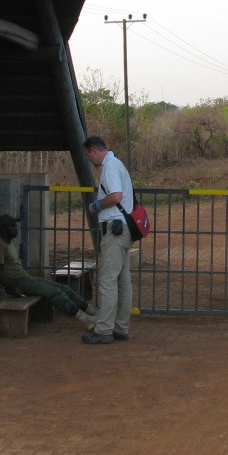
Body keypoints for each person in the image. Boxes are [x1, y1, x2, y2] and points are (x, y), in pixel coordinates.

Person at [0, 214, 98, 327]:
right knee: (56, 293)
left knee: (64, 288)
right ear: (3, 229)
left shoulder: (9, 244)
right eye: (12, 226)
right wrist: (10, 287)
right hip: (18, 281)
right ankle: (85, 318)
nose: (16, 229)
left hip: (24, 278)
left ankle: (90, 310)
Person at [81, 135, 135, 344]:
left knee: (108, 281)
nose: (89, 159)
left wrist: (96, 206)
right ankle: (121, 327)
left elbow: (115, 196)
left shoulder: (110, 167)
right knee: (122, 279)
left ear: (94, 151)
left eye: (88, 155)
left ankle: (104, 330)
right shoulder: (117, 164)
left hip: (114, 229)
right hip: (124, 229)